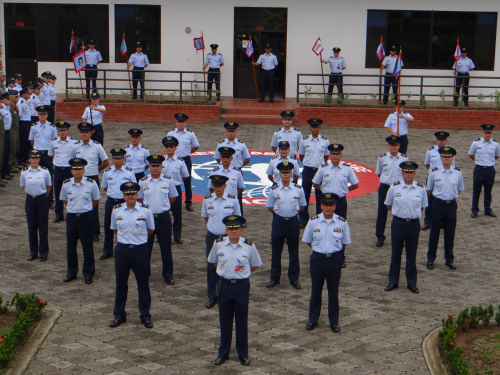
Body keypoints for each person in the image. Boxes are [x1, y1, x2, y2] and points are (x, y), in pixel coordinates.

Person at [208, 215, 262, 366]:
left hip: (241, 286)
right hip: (224, 285)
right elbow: (213, 261)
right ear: (226, 230)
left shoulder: (249, 246)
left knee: (241, 320)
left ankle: (242, 353)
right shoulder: (218, 244)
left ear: (241, 230)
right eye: (230, 229)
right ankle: (223, 352)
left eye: (236, 229)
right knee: (224, 320)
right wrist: (225, 272)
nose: (233, 232)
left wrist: (240, 274)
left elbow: (254, 265)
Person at [302, 193, 350, 333]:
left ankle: (334, 321)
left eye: (331, 205)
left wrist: (331, 251)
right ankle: (313, 319)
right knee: (316, 290)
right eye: (325, 205)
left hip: (334, 259)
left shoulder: (341, 222)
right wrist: (320, 250)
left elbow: (344, 243)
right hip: (317, 259)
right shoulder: (313, 221)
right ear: (321, 206)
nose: (328, 208)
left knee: (333, 291)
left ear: (334, 206)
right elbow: (307, 240)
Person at [109, 182, 155, 329]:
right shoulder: (117, 211)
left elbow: (150, 229)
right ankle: (119, 314)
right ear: (123, 196)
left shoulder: (145, 211)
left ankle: (145, 315)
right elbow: (115, 229)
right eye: (128, 194)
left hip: (140, 250)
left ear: (137, 195)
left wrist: (138, 241)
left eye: (133, 194)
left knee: (143, 283)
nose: (130, 196)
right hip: (122, 250)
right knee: (121, 283)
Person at [383, 162, 428, 294]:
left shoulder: (421, 189)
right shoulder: (394, 188)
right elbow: (388, 205)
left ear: (414, 174)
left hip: (413, 225)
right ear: (402, 173)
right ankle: (393, 281)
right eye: (406, 172)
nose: (408, 175)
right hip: (398, 223)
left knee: (411, 254)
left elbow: (423, 206)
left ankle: (411, 282)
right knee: (395, 253)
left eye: (411, 172)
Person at [312, 143, 358, 267]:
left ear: (341, 155)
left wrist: (345, 190)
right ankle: (321, 252)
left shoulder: (347, 168)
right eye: (333, 154)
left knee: (340, 227)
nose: (335, 156)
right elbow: (315, 183)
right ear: (330, 155)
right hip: (326, 202)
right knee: (322, 226)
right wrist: (324, 191)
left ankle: (340, 256)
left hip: (340, 202)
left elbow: (355, 184)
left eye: (337, 154)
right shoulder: (323, 168)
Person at [202, 175, 241, 309]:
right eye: (215, 186)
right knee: (211, 265)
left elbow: (237, 219)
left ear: (225, 186)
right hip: (212, 237)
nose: (217, 188)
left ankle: (227, 294)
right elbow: (206, 217)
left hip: (227, 237)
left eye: (220, 186)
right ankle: (212, 296)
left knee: (229, 264)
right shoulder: (207, 200)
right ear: (212, 186)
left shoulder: (233, 200)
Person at [265, 161, 306, 288]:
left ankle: (294, 278)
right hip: (278, 222)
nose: (285, 175)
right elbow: (270, 207)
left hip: (293, 222)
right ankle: (274, 278)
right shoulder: (274, 189)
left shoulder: (298, 189)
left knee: (294, 251)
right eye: (283, 172)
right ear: (280, 174)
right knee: (276, 251)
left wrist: (291, 213)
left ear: (291, 173)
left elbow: (302, 206)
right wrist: (280, 214)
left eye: (287, 172)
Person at [138, 154, 178, 284]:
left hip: (163, 218)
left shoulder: (168, 181)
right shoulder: (143, 181)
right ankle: (144, 273)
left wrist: (163, 207)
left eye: (157, 166)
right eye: (153, 166)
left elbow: (172, 197)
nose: (155, 168)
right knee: (145, 247)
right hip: (148, 218)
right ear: (149, 166)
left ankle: (168, 274)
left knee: (166, 247)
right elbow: (139, 199)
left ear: (162, 166)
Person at [60, 158, 100, 284]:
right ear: (71, 171)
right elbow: (65, 200)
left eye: (80, 169)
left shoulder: (91, 183)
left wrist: (85, 210)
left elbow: (96, 200)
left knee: (87, 245)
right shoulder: (66, 184)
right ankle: (71, 272)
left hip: (85, 218)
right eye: (75, 169)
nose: (77, 171)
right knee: (71, 246)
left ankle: (88, 273)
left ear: (84, 170)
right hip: (72, 218)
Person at [70, 122, 110, 242]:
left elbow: (106, 162)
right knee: (79, 202)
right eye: (82, 132)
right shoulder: (75, 146)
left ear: (91, 133)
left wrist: (96, 169)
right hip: (78, 178)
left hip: (92, 178)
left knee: (93, 205)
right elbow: (71, 162)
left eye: (86, 132)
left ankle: (95, 231)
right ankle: (80, 229)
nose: (84, 134)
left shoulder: (97, 146)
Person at [426, 147, 464, 270]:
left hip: (451, 205)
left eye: (449, 156)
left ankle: (449, 259)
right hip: (438, 204)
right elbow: (429, 190)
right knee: (434, 232)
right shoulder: (434, 172)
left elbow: (458, 190)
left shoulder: (458, 173)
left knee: (450, 232)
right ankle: (431, 258)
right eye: (444, 156)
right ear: (441, 158)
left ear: (452, 158)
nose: (446, 158)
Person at [100, 148, 137, 260]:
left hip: (123, 202)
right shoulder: (107, 172)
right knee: (108, 226)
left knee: (127, 224)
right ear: (112, 159)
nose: (117, 161)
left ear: (123, 159)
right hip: (111, 201)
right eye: (115, 158)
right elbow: (105, 187)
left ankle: (128, 247)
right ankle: (107, 250)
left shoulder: (129, 172)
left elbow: (134, 188)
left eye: (119, 158)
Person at [375, 136, 408, 247]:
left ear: (399, 146)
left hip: (399, 188)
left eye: (396, 145)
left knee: (400, 213)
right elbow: (379, 172)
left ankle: (400, 237)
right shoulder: (382, 158)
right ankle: (380, 236)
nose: (393, 147)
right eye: (391, 145)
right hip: (385, 187)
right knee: (382, 213)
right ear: (388, 146)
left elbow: (406, 175)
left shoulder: (404, 159)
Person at [20, 150, 51, 262]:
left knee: (43, 227)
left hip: (42, 200)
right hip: (30, 201)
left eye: (36, 158)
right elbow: (23, 186)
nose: (34, 160)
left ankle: (43, 252)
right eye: (32, 158)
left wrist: (43, 197)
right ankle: (33, 252)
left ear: (39, 159)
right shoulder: (24, 172)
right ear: (29, 159)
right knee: (32, 227)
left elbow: (48, 186)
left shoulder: (45, 171)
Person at [298, 118, 330, 228]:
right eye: (313, 127)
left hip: (319, 170)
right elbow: (301, 156)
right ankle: (303, 219)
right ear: (310, 128)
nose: (314, 129)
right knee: (304, 195)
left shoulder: (325, 141)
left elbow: (326, 156)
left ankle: (319, 217)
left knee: (320, 196)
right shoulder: (304, 141)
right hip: (307, 169)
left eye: (317, 127)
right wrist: (308, 163)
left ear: (319, 127)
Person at [214, 122, 250, 214]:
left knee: (238, 196)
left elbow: (247, 158)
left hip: (236, 172)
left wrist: (238, 166)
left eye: (232, 131)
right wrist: (224, 164)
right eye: (229, 131)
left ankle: (239, 217)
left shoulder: (241, 144)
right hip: (222, 172)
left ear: (236, 132)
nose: (231, 133)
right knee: (221, 193)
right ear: (225, 132)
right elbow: (217, 158)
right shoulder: (221, 144)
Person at [422, 131, 455, 230]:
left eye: (443, 140)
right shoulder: (430, 151)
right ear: (436, 140)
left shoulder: (451, 152)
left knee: (442, 199)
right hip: (432, 178)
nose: (441, 142)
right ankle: (427, 221)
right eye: (439, 140)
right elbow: (427, 164)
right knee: (429, 200)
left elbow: (453, 167)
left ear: (446, 140)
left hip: (445, 178)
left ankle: (442, 221)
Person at [167, 113, 200, 212]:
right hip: (173, 160)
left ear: (185, 123)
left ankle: (188, 202)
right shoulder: (171, 134)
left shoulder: (190, 134)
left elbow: (196, 145)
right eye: (178, 122)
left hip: (185, 160)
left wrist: (188, 152)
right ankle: (170, 201)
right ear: (175, 122)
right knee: (171, 181)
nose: (180, 123)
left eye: (182, 122)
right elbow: (167, 146)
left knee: (187, 182)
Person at [161, 136, 189, 244]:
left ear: (175, 148)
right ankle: (163, 234)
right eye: (167, 146)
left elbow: (185, 176)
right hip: (163, 189)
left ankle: (177, 236)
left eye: (171, 146)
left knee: (177, 213)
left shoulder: (180, 162)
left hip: (176, 188)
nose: (169, 148)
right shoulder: (161, 161)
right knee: (163, 213)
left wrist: (175, 182)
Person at [28, 105, 57, 208]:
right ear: (38, 115)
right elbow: (32, 141)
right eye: (40, 114)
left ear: (47, 115)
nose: (42, 116)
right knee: (36, 176)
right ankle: (39, 197)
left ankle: (50, 200)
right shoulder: (33, 126)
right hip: (37, 155)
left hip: (48, 155)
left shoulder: (52, 127)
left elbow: (55, 142)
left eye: (44, 114)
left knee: (49, 177)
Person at [468, 124, 500, 218]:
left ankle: (487, 209)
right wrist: (478, 161)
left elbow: (497, 155)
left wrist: (490, 161)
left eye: (489, 133)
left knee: (488, 191)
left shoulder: (496, 144)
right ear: (482, 132)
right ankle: (474, 210)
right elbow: (471, 154)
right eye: (486, 132)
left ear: (492, 133)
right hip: (479, 169)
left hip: (490, 169)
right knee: (476, 190)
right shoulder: (476, 143)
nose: (487, 135)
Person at [48, 121, 76, 223]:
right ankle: (59, 215)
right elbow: (50, 155)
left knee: (71, 192)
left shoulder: (74, 142)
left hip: (69, 170)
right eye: (60, 130)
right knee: (58, 193)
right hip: (58, 169)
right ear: (57, 131)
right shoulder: (53, 142)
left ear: (68, 130)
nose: (62, 132)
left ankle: (71, 212)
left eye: (64, 130)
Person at [0, 92, 14, 181]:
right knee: (3, 152)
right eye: (7, 99)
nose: (9, 100)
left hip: (8, 132)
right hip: (3, 132)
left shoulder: (6, 108)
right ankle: (4, 173)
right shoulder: (1, 110)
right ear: (2, 100)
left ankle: (6, 171)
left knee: (7, 151)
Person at [8, 90, 21, 171]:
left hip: (16, 129)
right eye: (15, 97)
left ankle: (15, 163)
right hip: (11, 129)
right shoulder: (10, 108)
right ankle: (10, 165)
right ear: (11, 97)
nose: (17, 98)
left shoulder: (16, 107)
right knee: (12, 147)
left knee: (16, 146)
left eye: (17, 96)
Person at [18, 88, 32, 164]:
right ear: (23, 94)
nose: (28, 94)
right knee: (23, 142)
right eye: (27, 93)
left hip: (27, 123)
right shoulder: (21, 102)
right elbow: (19, 115)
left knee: (27, 141)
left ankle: (25, 157)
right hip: (23, 123)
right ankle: (21, 160)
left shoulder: (25, 102)